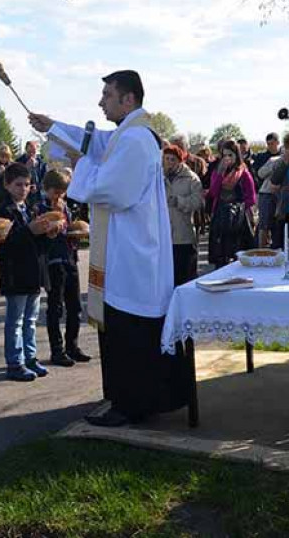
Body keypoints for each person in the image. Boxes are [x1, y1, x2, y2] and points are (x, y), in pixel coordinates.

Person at [29, 69, 188, 428]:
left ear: (128, 99)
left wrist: (80, 167)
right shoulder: (127, 135)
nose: (100, 101)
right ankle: (131, 399)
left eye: (107, 95)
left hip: (132, 255)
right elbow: (95, 143)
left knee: (129, 330)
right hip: (128, 250)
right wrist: (53, 126)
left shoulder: (134, 140)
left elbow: (111, 190)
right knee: (124, 327)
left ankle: (131, 404)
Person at [0, 162, 52, 380]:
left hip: (33, 271)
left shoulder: (31, 208)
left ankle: (30, 357)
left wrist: (48, 234)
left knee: (31, 319)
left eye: (27, 185)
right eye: (18, 185)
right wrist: (29, 230)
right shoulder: (3, 210)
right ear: (7, 185)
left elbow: (37, 243)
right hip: (15, 271)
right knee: (15, 320)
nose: (23, 189)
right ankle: (14, 362)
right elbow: (6, 242)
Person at [37, 169, 90, 367]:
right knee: (55, 308)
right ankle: (57, 350)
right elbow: (42, 233)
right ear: (47, 190)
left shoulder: (66, 207)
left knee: (75, 306)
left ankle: (72, 346)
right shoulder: (41, 208)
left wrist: (75, 232)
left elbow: (68, 230)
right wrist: (53, 223)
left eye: (63, 192)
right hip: (53, 261)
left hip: (69, 258)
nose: (59, 196)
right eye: (56, 192)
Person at [206, 141, 257, 268]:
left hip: (239, 218)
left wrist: (239, 207)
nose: (227, 158)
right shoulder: (217, 171)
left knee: (237, 253)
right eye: (224, 155)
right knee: (220, 253)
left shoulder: (243, 172)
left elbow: (251, 197)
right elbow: (213, 192)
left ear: (236, 155)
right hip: (220, 214)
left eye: (230, 155)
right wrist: (220, 173)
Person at [163, 145, 204, 286]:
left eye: (172, 159)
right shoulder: (158, 178)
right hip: (164, 237)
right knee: (167, 280)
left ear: (180, 161)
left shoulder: (191, 178)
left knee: (186, 278)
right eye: (166, 159)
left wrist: (179, 201)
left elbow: (198, 201)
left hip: (184, 236)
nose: (169, 162)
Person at [251, 132, 281, 247]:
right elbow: (259, 174)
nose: (270, 146)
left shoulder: (284, 157)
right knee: (264, 224)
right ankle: (260, 248)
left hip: (280, 193)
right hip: (265, 191)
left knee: (277, 224)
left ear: (278, 143)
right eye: (268, 144)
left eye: (272, 143)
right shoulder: (262, 157)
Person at [17, 139, 47, 207]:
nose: (31, 154)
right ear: (26, 150)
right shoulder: (19, 161)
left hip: (38, 196)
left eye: (34, 152)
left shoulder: (42, 163)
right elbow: (16, 177)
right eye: (29, 152)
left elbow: (45, 179)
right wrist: (26, 167)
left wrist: (37, 187)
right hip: (23, 195)